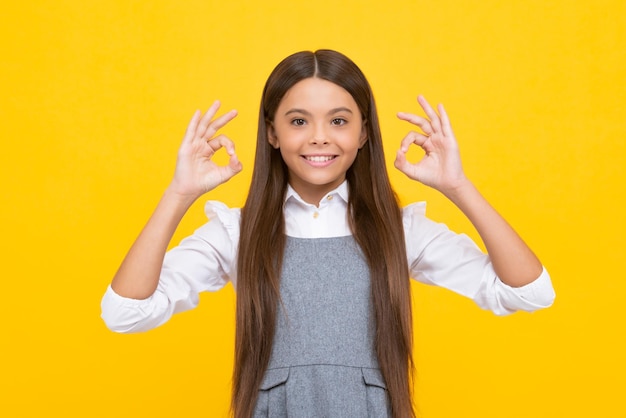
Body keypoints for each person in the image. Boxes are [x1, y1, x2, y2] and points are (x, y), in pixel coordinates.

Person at [101, 49, 555, 418]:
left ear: (362, 134)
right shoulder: (237, 233)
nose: (319, 137)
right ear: (272, 133)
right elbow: (125, 312)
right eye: (298, 121)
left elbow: (530, 291)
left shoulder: (400, 231)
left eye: (339, 121)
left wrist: (458, 186)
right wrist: (180, 193)